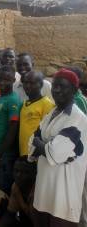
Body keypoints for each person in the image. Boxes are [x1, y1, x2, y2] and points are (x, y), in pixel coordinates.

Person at [29, 68, 87, 227]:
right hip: (45, 185)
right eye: (54, 86)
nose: (56, 90)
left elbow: (54, 152)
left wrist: (44, 145)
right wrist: (46, 144)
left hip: (64, 189)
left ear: (75, 90)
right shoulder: (53, 113)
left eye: (62, 86)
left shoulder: (78, 119)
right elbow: (32, 139)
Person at [0, 65, 22, 194]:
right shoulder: (1, 97)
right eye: (0, 79)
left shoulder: (12, 100)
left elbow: (13, 129)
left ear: (13, 80)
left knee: (3, 185)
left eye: (7, 80)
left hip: (4, 154)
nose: (2, 82)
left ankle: (5, 212)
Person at [18, 71, 54, 156]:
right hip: (23, 151)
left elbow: (48, 133)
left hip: (35, 154)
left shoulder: (46, 104)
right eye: (25, 83)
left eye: (32, 83)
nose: (27, 86)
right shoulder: (24, 104)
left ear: (41, 85)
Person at [0, 156, 37, 227]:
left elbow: (35, 219)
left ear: (34, 173)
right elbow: (10, 214)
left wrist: (19, 197)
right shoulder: (17, 185)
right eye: (16, 171)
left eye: (24, 172)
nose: (18, 175)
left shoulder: (38, 189)